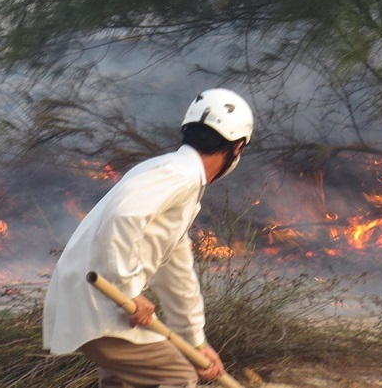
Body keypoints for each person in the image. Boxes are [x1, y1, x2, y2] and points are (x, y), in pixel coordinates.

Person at [42, 88, 254, 388]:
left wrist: (196, 342)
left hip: (96, 303)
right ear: (237, 147)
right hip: (101, 301)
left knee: (125, 381)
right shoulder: (179, 175)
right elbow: (124, 216)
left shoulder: (171, 175)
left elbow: (177, 272)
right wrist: (130, 290)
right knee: (175, 376)